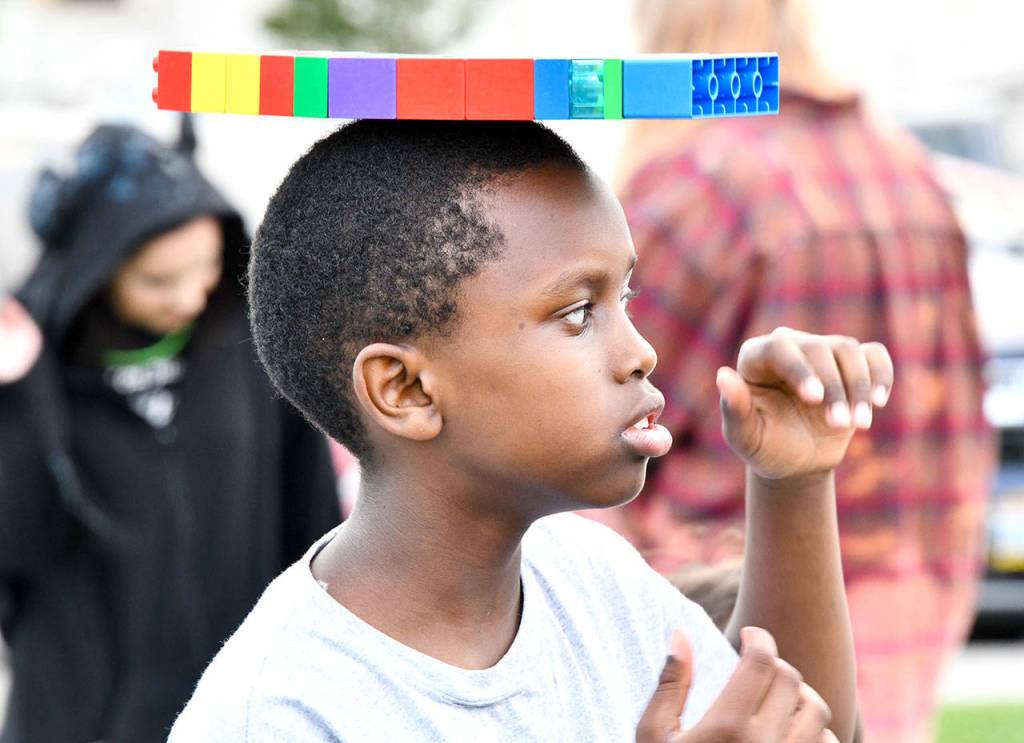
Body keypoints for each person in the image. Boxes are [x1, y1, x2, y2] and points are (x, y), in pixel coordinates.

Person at [168, 119, 894, 742]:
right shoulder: (281, 713)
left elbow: (794, 718)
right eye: (578, 312)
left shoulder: (588, 579)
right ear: (406, 388)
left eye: (625, 295)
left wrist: (792, 481)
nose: (639, 351)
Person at [602, 2, 997, 741]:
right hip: (913, 598)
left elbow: (597, 414)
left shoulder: (702, 179)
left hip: (736, 615)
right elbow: (965, 409)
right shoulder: (906, 164)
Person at [0, 122, 341, 743]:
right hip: (81, 720)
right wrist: (17, 405)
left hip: (240, 711)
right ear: (98, 271)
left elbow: (309, 504)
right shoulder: (30, 366)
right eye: (158, 281)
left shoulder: (251, 344)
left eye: (208, 267)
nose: (189, 295)